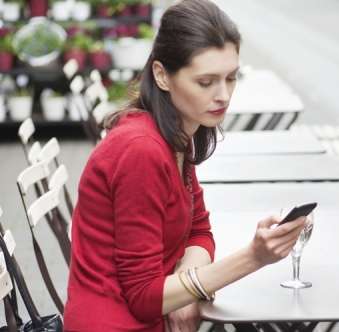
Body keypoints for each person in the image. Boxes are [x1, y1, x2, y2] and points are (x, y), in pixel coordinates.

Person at [64, 0, 307, 331]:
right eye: (206, 82)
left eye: (231, 78)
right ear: (162, 75)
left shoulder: (175, 133)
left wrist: (186, 286)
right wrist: (254, 257)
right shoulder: (142, 151)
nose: (223, 95)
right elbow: (144, 297)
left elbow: (199, 230)